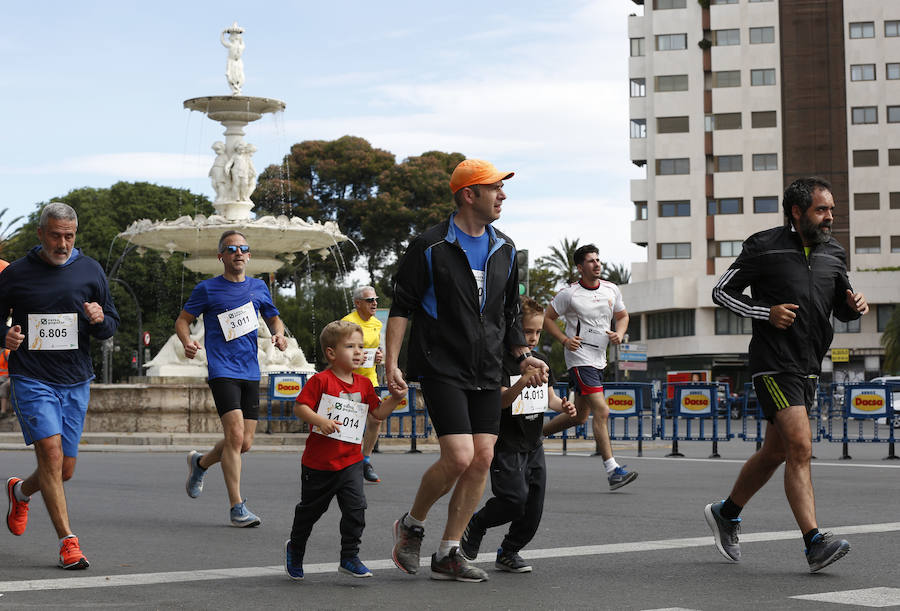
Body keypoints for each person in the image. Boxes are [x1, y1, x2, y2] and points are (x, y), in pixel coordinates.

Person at [386, 158, 548, 583]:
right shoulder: (430, 245)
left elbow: (508, 312)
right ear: (468, 194)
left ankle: (448, 553)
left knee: (481, 459)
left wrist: (521, 356)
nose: (503, 195)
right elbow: (402, 306)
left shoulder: (506, 248)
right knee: (458, 456)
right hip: (442, 365)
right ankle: (412, 524)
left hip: (489, 367)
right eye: (495, 188)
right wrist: (391, 363)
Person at [706, 177, 868, 572]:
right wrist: (766, 312)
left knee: (776, 451)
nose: (829, 217)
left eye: (831, 209)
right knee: (799, 445)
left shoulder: (834, 253)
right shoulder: (764, 246)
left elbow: (839, 304)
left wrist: (854, 306)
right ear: (797, 212)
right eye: (821, 210)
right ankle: (815, 542)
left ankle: (726, 513)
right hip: (773, 362)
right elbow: (721, 292)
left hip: (810, 364)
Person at [2, 202, 119, 569]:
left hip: (75, 379)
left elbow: (111, 323)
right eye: (55, 235)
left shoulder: (90, 270)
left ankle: (20, 492)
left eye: (69, 236)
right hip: (32, 378)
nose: (62, 243)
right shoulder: (17, 274)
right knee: (50, 456)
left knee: (64, 469)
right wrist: (4, 335)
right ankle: (68, 542)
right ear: (40, 234)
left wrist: (101, 320)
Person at [178, 230, 287, 527]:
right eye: (231, 248)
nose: (238, 252)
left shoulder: (259, 287)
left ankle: (200, 464)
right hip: (222, 369)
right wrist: (187, 341)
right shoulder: (207, 289)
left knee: (244, 443)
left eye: (243, 248)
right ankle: (237, 507)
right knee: (235, 437)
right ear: (221, 256)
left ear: (249, 255)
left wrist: (278, 333)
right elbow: (183, 320)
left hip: (250, 370)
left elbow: (273, 316)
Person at [459, 297, 575, 573]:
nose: (532, 338)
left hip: (533, 443)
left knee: (533, 507)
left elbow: (550, 398)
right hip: (506, 442)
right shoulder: (498, 361)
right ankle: (475, 525)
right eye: (527, 332)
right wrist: (522, 381)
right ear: (512, 331)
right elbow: (499, 402)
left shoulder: (541, 361)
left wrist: (564, 406)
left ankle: (510, 551)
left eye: (537, 332)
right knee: (513, 499)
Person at [284, 320, 406, 581]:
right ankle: (296, 547)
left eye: (360, 346)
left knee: (356, 509)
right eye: (350, 346)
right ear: (331, 353)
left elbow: (377, 413)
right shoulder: (321, 381)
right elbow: (300, 407)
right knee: (310, 512)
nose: (359, 351)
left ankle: (349, 556)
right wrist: (321, 421)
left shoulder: (363, 384)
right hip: (319, 464)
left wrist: (395, 399)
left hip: (350, 461)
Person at [540, 244, 637, 490]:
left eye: (598, 259)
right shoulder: (569, 294)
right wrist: (564, 340)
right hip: (580, 359)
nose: (597, 264)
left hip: (599, 359)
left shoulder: (611, 289)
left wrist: (620, 333)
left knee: (580, 416)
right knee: (601, 411)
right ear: (580, 267)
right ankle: (612, 470)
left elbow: (623, 316)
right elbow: (547, 319)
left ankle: (534, 436)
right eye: (591, 261)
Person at [341, 286, 385, 483]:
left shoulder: (377, 323)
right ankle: (348, 464)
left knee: (376, 419)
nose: (374, 303)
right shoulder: (347, 323)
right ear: (358, 303)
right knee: (351, 424)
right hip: (349, 379)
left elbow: (377, 350)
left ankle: (365, 460)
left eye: (375, 299)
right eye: (369, 300)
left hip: (370, 379)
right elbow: (339, 350)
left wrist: (379, 356)